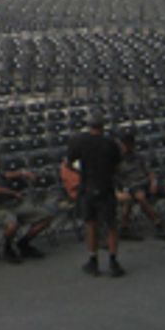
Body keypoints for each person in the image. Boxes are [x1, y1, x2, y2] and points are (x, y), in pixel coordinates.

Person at [64, 118, 124, 277]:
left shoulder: (80, 142)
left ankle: (93, 260)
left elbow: (68, 163)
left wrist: (81, 172)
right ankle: (113, 260)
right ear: (103, 127)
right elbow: (118, 166)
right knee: (111, 225)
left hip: (88, 186)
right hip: (106, 186)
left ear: (90, 127)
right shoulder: (111, 144)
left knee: (91, 224)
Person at [0, 149, 53, 264]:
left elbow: (7, 175)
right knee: (12, 225)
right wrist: (12, 193)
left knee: (46, 216)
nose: (0, 162)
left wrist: (24, 173)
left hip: (13, 205)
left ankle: (24, 243)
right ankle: (7, 247)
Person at [115, 130, 164, 238]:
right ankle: (157, 222)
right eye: (124, 144)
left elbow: (150, 172)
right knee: (140, 197)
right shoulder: (117, 161)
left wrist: (153, 183)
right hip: (133, 186)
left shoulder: (139, 157)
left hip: (146, 182)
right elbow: (116, 178)